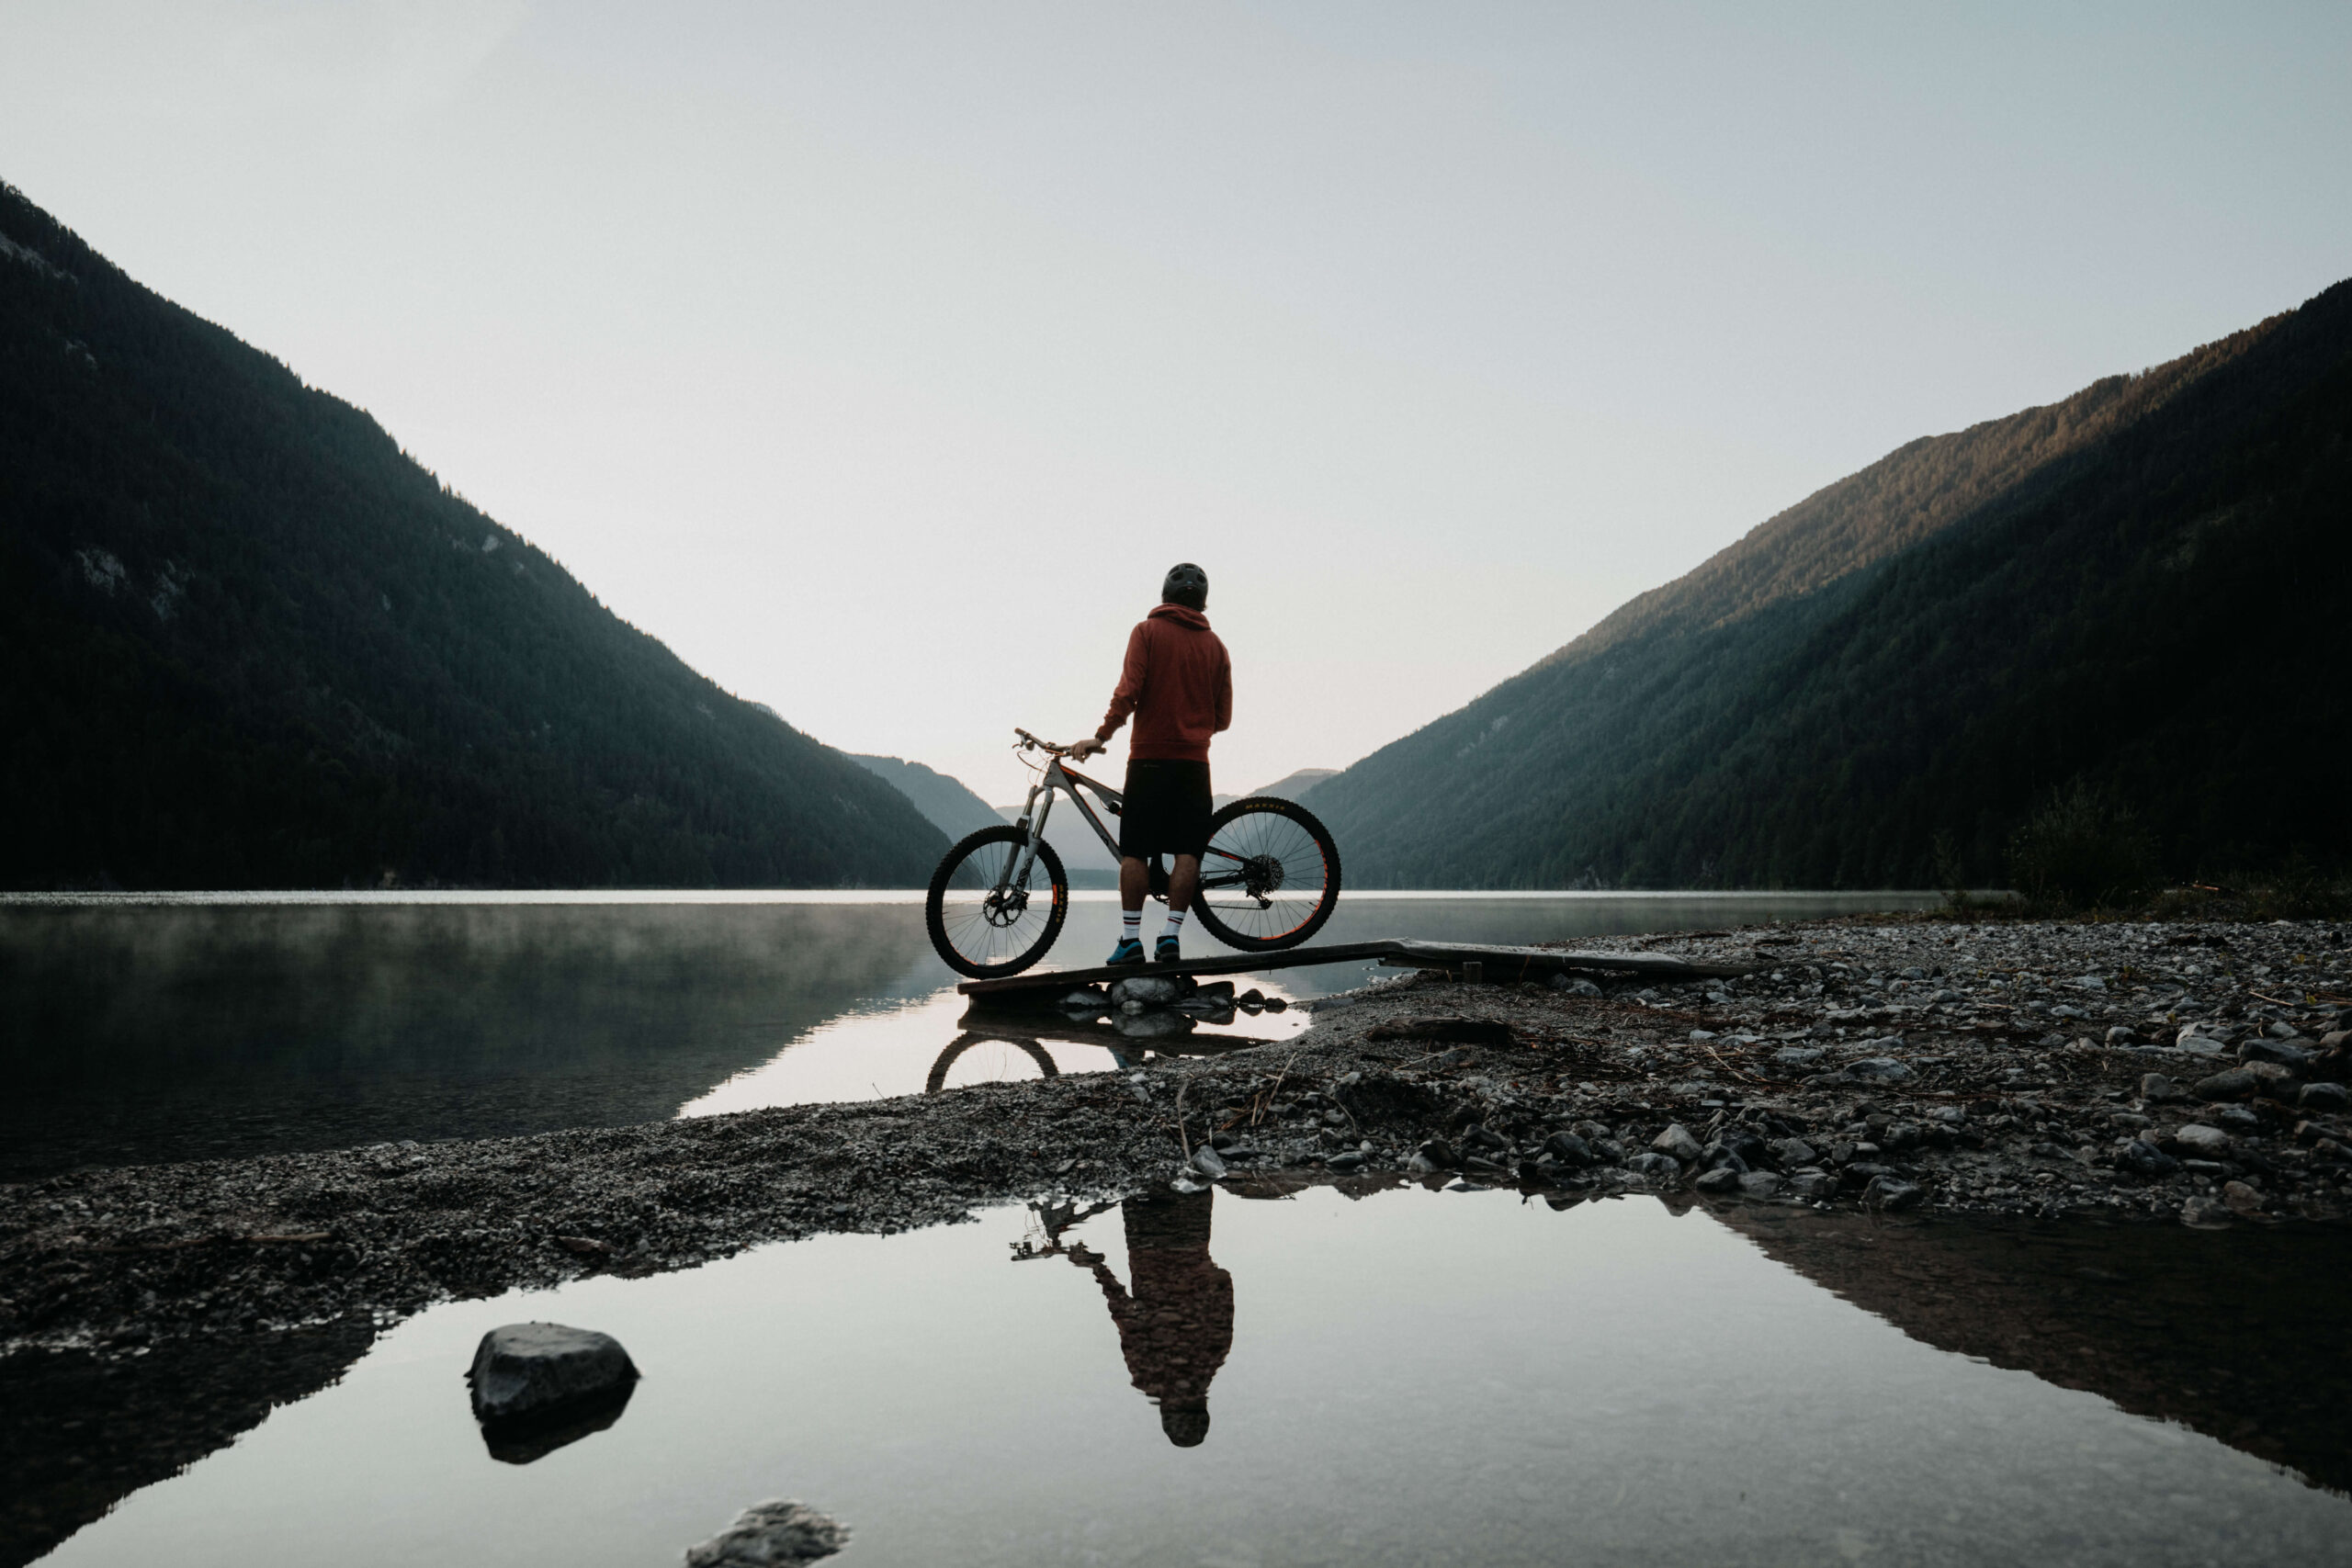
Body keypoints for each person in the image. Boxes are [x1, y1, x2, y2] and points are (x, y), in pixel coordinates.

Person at [1069, 562, 1231, 965]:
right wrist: (1192, 724)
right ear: (1202, 602)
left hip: (1149, 759)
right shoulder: (1217, 648)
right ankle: (1171, 936)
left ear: (1165, 596)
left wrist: (1101, 736)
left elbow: (1128, 692)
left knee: (1135, 853)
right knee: (1187, 853)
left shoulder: (1146, 632)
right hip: (1195, 763)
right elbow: (1223, 718)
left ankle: (1130, 941)